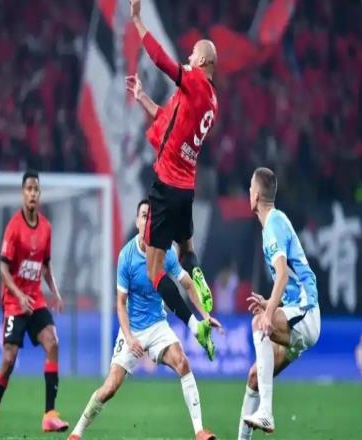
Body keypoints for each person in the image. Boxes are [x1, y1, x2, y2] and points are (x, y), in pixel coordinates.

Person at [68, 200, 222, 440]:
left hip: (158, 325)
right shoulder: (126, 256)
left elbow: (187, 284)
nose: (148, 220)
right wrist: (130, 338)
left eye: (151, 216)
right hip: (132, 329)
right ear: (137, 222)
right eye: (143, 215)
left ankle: (199, 431)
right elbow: (120, 304)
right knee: (110, 388)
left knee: (183, 363)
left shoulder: (166, 252)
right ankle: (77, 433)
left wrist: (205, 315)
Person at [126, 0, 219, 359]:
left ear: (203, 61)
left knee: (154, 273)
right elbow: (166, 120)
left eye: (193, 54)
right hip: (186, 190)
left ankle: (194, 325)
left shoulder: (194, 82)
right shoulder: (209, 101)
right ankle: (199, 278)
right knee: (187, 250)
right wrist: (142, 97)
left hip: (165, 187)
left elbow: (161, 60)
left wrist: (138, 21)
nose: (188, 57)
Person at [237, 167, 321, 438]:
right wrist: (271, 303)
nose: (249, 193)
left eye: (250, 188)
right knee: (255, 377)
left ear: (256, 195)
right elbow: (287, 280)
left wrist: (269, 313)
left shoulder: (273, 224)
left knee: (259, 325)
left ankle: (266, 411)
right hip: (296, 312)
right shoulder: (275, 222)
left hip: (306, 313)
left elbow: (283, 275)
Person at [0, 171, 68, 433]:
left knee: (53, 342)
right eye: (29, 189)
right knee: (8, 360)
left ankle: (49, 415)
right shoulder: (13, 227)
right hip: (14, 302)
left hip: (36, 300)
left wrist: (55, 292)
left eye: (36, 189)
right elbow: (3, 268)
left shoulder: (46, 228)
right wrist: (19, 295)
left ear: (39, 194)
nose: (32, 193)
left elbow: (45, 265)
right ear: (23, 193)